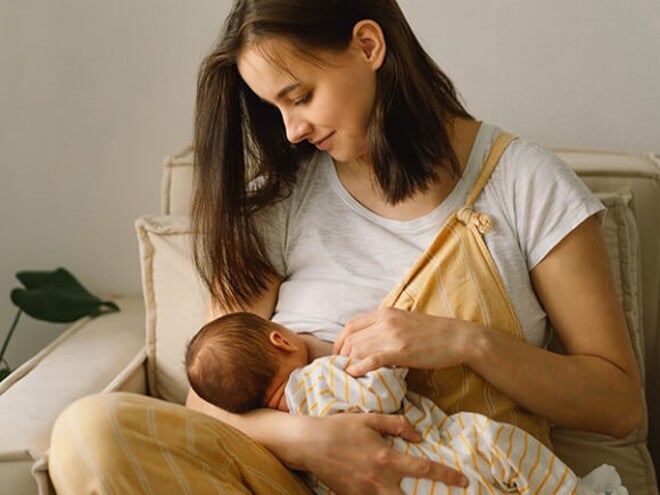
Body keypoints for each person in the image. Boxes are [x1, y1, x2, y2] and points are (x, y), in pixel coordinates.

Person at [49, 1, 642, 493]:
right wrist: (309, 442)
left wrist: (468, 343)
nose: (291, 131)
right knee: (89, 432)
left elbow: (618, 404)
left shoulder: (525, 184)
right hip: (285, 480)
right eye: (274, 108)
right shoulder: (283, 200)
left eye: (300, 96)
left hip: (458, 479)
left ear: (367, 46)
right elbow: (208, 403)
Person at [184, 311, 628, 495]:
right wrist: (386, 361)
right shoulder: (319, 378)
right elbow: (381, 395)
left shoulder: (279, 430)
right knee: (497, 442)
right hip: (436, 453)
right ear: (280, 338)